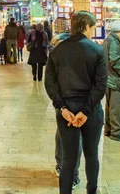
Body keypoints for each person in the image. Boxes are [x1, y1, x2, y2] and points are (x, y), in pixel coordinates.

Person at [45, 11, 107, 194]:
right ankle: (92, 190)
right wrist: (86, 111)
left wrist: (61, 107)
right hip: (91, 111)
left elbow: (49, 82)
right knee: (91, 154)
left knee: (68, 158)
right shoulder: (97, 50)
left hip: (67, 112)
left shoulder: (57, 50)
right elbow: (101, 85)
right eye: (92, 28)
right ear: (87, 27)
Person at [50, 29, 82, 189]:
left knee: (69, 135)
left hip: (72, 103)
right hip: (66, 103)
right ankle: (67, 169)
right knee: (67, 135)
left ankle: (68, 170)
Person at [103, 20, 120, 143]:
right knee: (116, 107)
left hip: (108, 79)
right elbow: (114, 60)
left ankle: (109, 129)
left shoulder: (108, 40)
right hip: (114, 80)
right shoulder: (114, 42)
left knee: (110, 106)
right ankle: (116, 131)